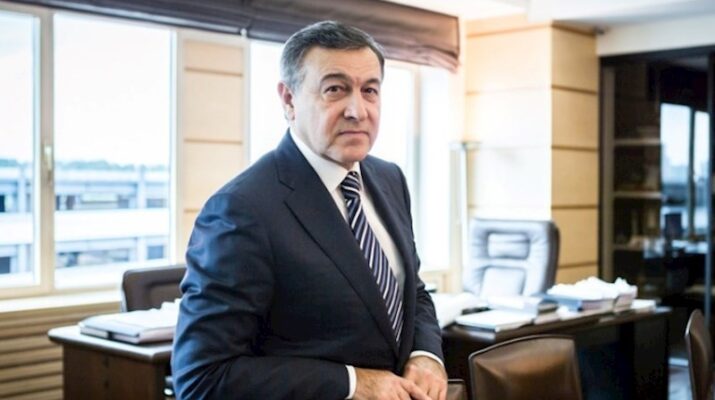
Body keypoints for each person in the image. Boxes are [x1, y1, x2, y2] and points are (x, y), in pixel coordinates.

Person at [172, 20, 447, 400]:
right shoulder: (241, 209)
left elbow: (412, 291)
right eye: (335, 89)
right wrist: (353, 383)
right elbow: (203, 377)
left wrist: (426, 354)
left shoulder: (389, 179)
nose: (358, 110)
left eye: (370, 90)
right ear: (289, 100)